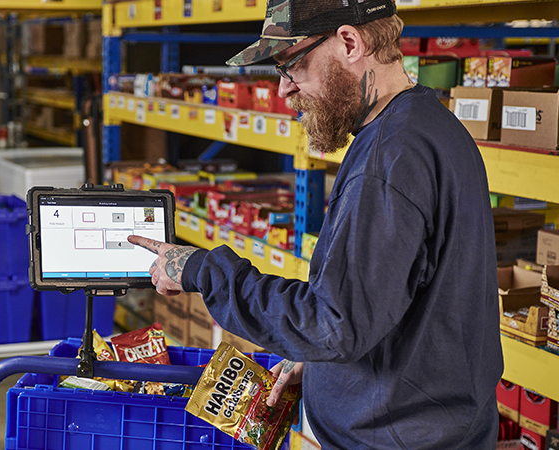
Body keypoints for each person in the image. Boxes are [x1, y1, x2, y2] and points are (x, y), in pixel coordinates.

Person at [128, 0, 503, 448]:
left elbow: (334, 323)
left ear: (349, 42)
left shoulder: (388, 160)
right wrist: (324, 365)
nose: (284, 90)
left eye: (292, 66)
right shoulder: (429, 125)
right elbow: (396, 303)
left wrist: (201, 270)